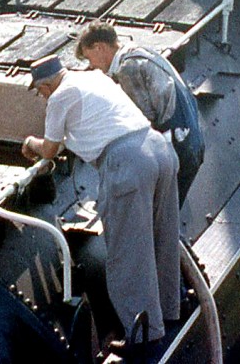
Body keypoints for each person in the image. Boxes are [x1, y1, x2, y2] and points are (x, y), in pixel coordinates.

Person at [22, 56, 180, 347]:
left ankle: (144, 336)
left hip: (126, 162)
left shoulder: (59, 96)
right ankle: (169, 314)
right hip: (158, 148)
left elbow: (49, 150)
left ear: (45, 84)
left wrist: (30, 143)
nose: (42, 97)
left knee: (128, 253)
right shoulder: (94, 76)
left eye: (39, 91)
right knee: (163, 238)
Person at [75, 22, 205, 204]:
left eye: (90, 58)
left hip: (177, 152)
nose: (92, 65)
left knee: (157, 216)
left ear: (99, 47)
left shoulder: (128, 69)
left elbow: (143, 124)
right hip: (191, 142)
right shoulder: (143, 52)